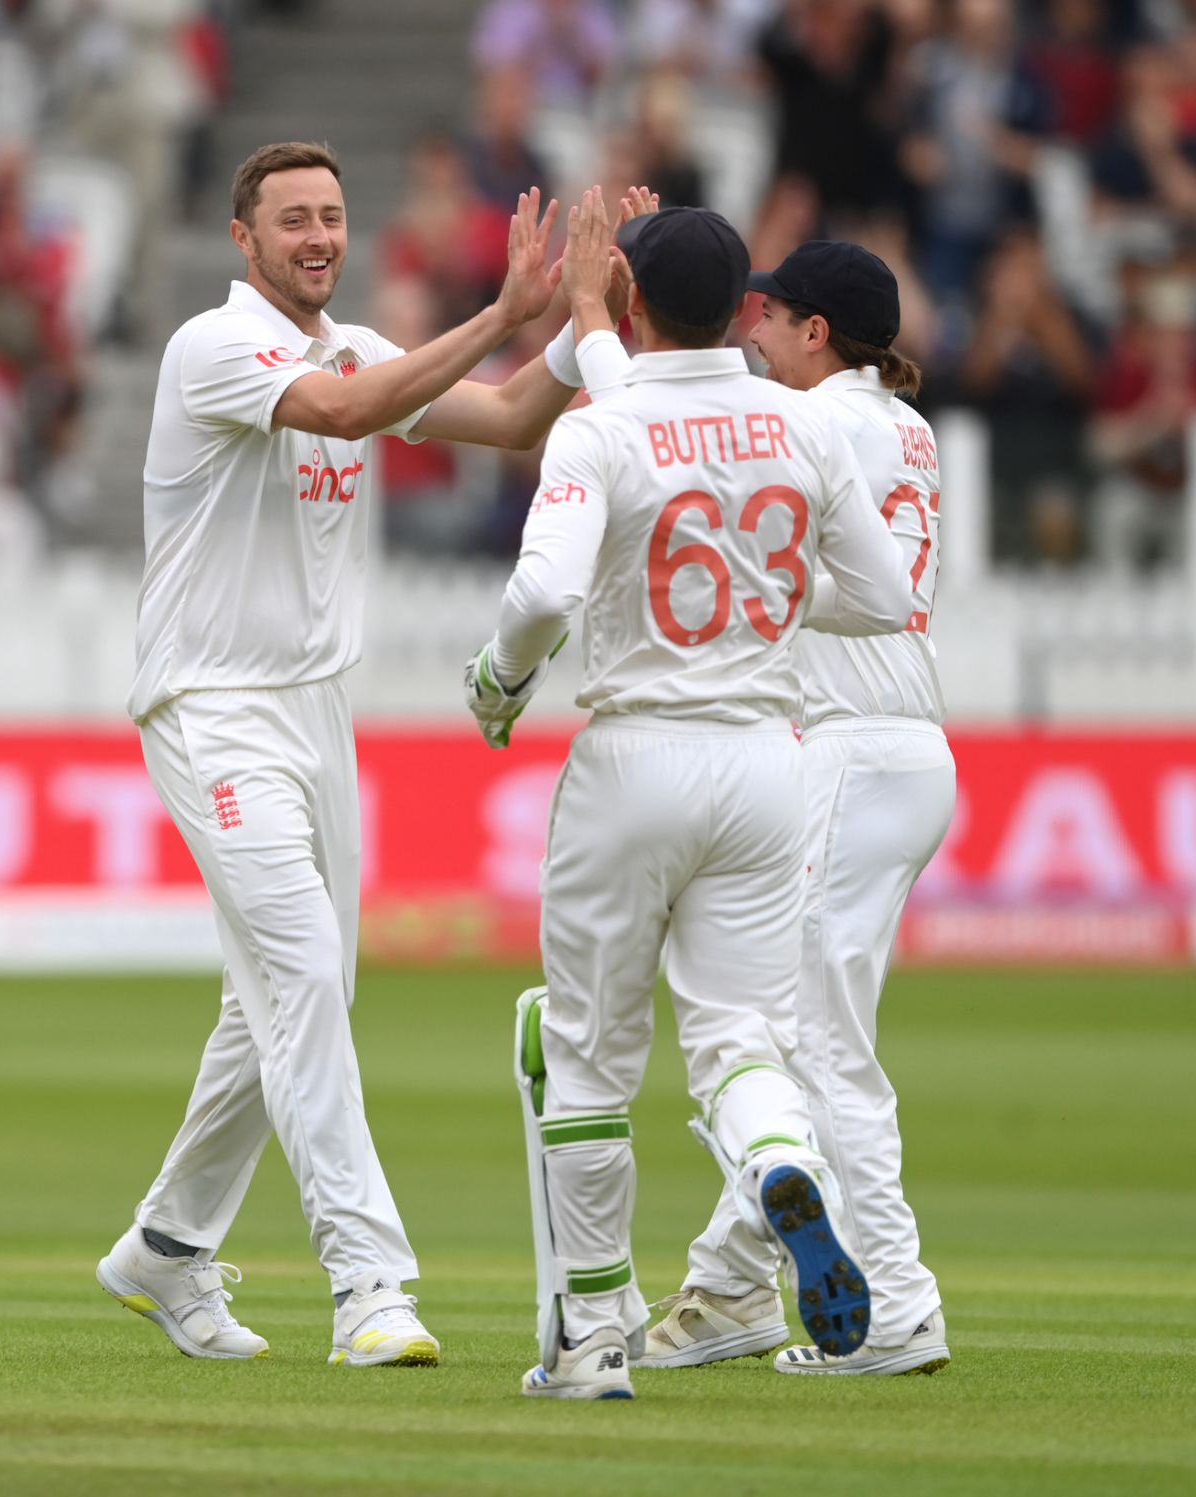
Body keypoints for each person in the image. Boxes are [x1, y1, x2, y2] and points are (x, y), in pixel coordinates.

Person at [96, 140, 596, 1370]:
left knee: (275, 999)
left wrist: (581, 319)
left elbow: (518, 414)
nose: (317, 237)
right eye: (291, 221)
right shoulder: (212, 348)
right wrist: (497, 311)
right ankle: (369, 1283)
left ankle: (165, 1248)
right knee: (306, 978)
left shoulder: (357, 343)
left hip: (315, 712)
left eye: (331, 215)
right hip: (212, 706)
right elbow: (347, 412)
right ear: (243, 240)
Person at [465, 193, 915, 1399]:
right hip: (768, 762)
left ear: (632, 302)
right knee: (738, 1040)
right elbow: (880, 596)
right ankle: (779, 1162)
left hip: (636, 757)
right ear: (744, 310)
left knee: (587, 1058)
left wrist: (496, 683)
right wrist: (753, 587)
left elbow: (544, 600)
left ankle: (593, 1339)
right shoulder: (801, 423)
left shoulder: (599, 430)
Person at [642, 240, 956, 1377]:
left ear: (813, 331)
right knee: (788, 1042)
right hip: (902, 749)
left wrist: (609, 321)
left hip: (846, 750)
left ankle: (897, 1309)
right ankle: (729, 1286)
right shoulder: (899, 425)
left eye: (764, 315)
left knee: (815, 1047)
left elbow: (704, 469)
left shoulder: (817, 424)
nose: (747, 333)